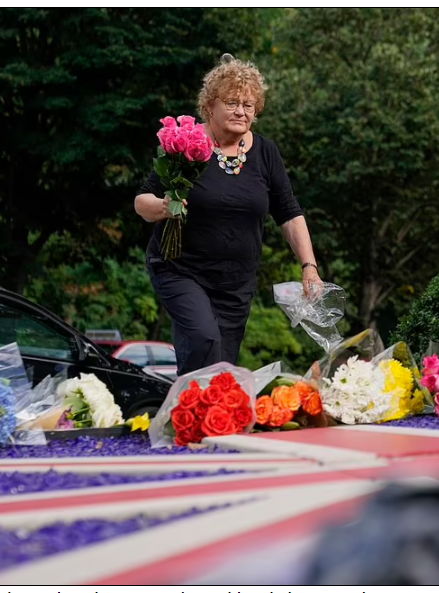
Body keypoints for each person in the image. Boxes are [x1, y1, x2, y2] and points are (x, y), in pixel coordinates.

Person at [134, 54, 323, 374]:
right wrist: (165, 206)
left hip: (235, 283)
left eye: (249, 105)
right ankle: (186, 416)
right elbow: (142, 200)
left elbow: (289, 213)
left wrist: (309, 266)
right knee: (204, 337)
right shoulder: (186, 143)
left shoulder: (265, 153)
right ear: (209, 106)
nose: (241, 111)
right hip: (181, 270)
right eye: (232, 102)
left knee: (219, 367)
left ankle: (194, 419)